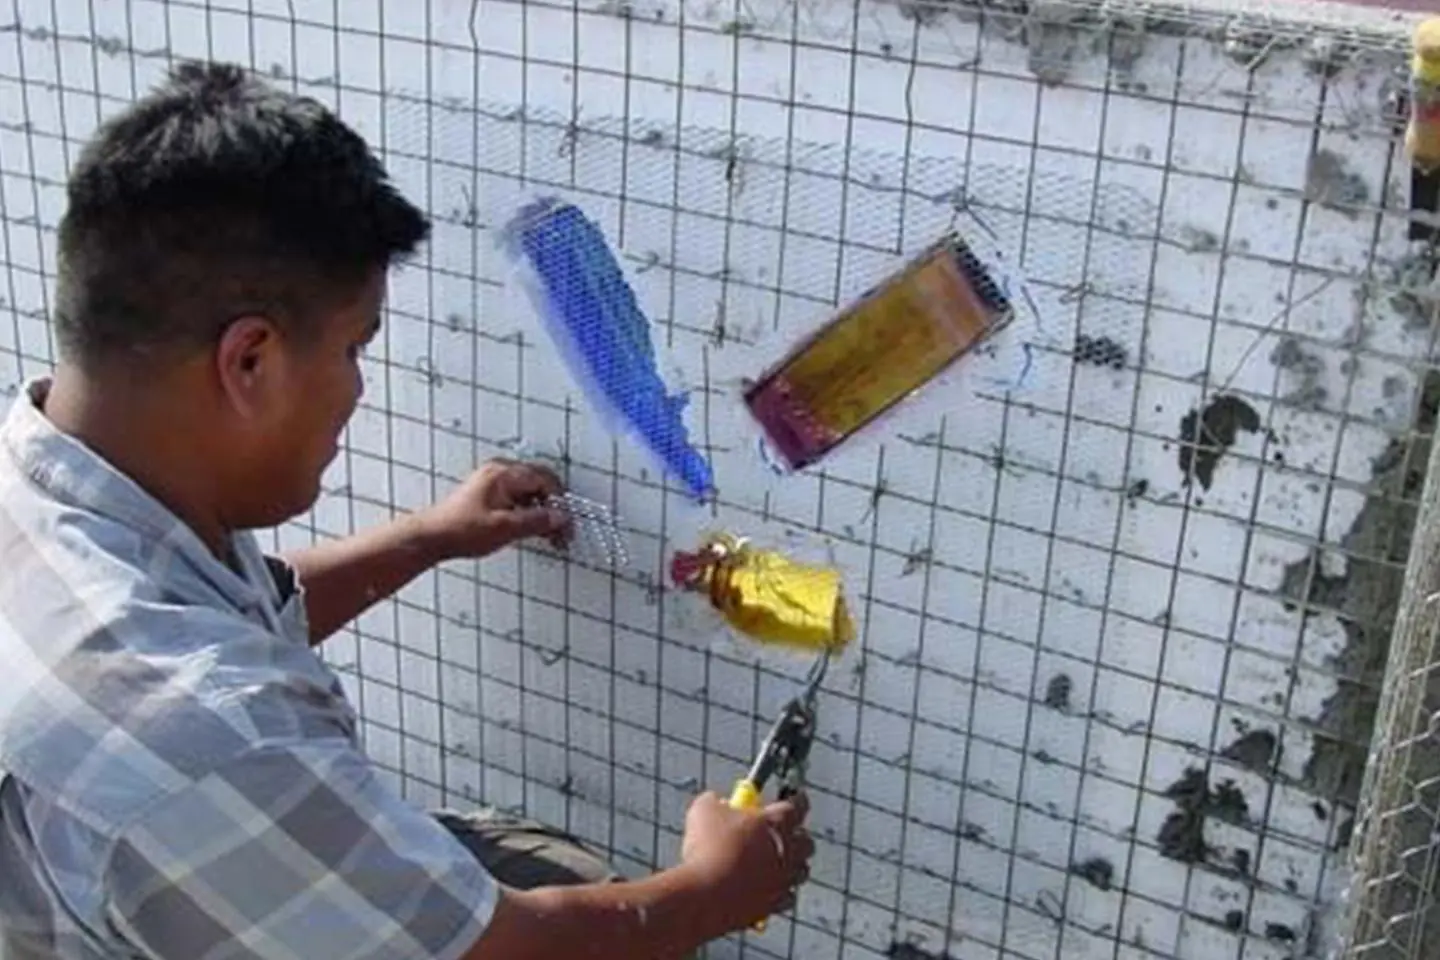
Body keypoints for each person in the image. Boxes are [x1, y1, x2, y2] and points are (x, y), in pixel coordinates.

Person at [0, 60, 813, 960]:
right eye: (355, 347)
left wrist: (429, 538)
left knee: (560, 871)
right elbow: (504, 952)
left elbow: (220, 619)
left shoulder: (50, 478)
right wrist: (716, 889)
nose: (357, 388)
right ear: (250, 363)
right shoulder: (206, 738)